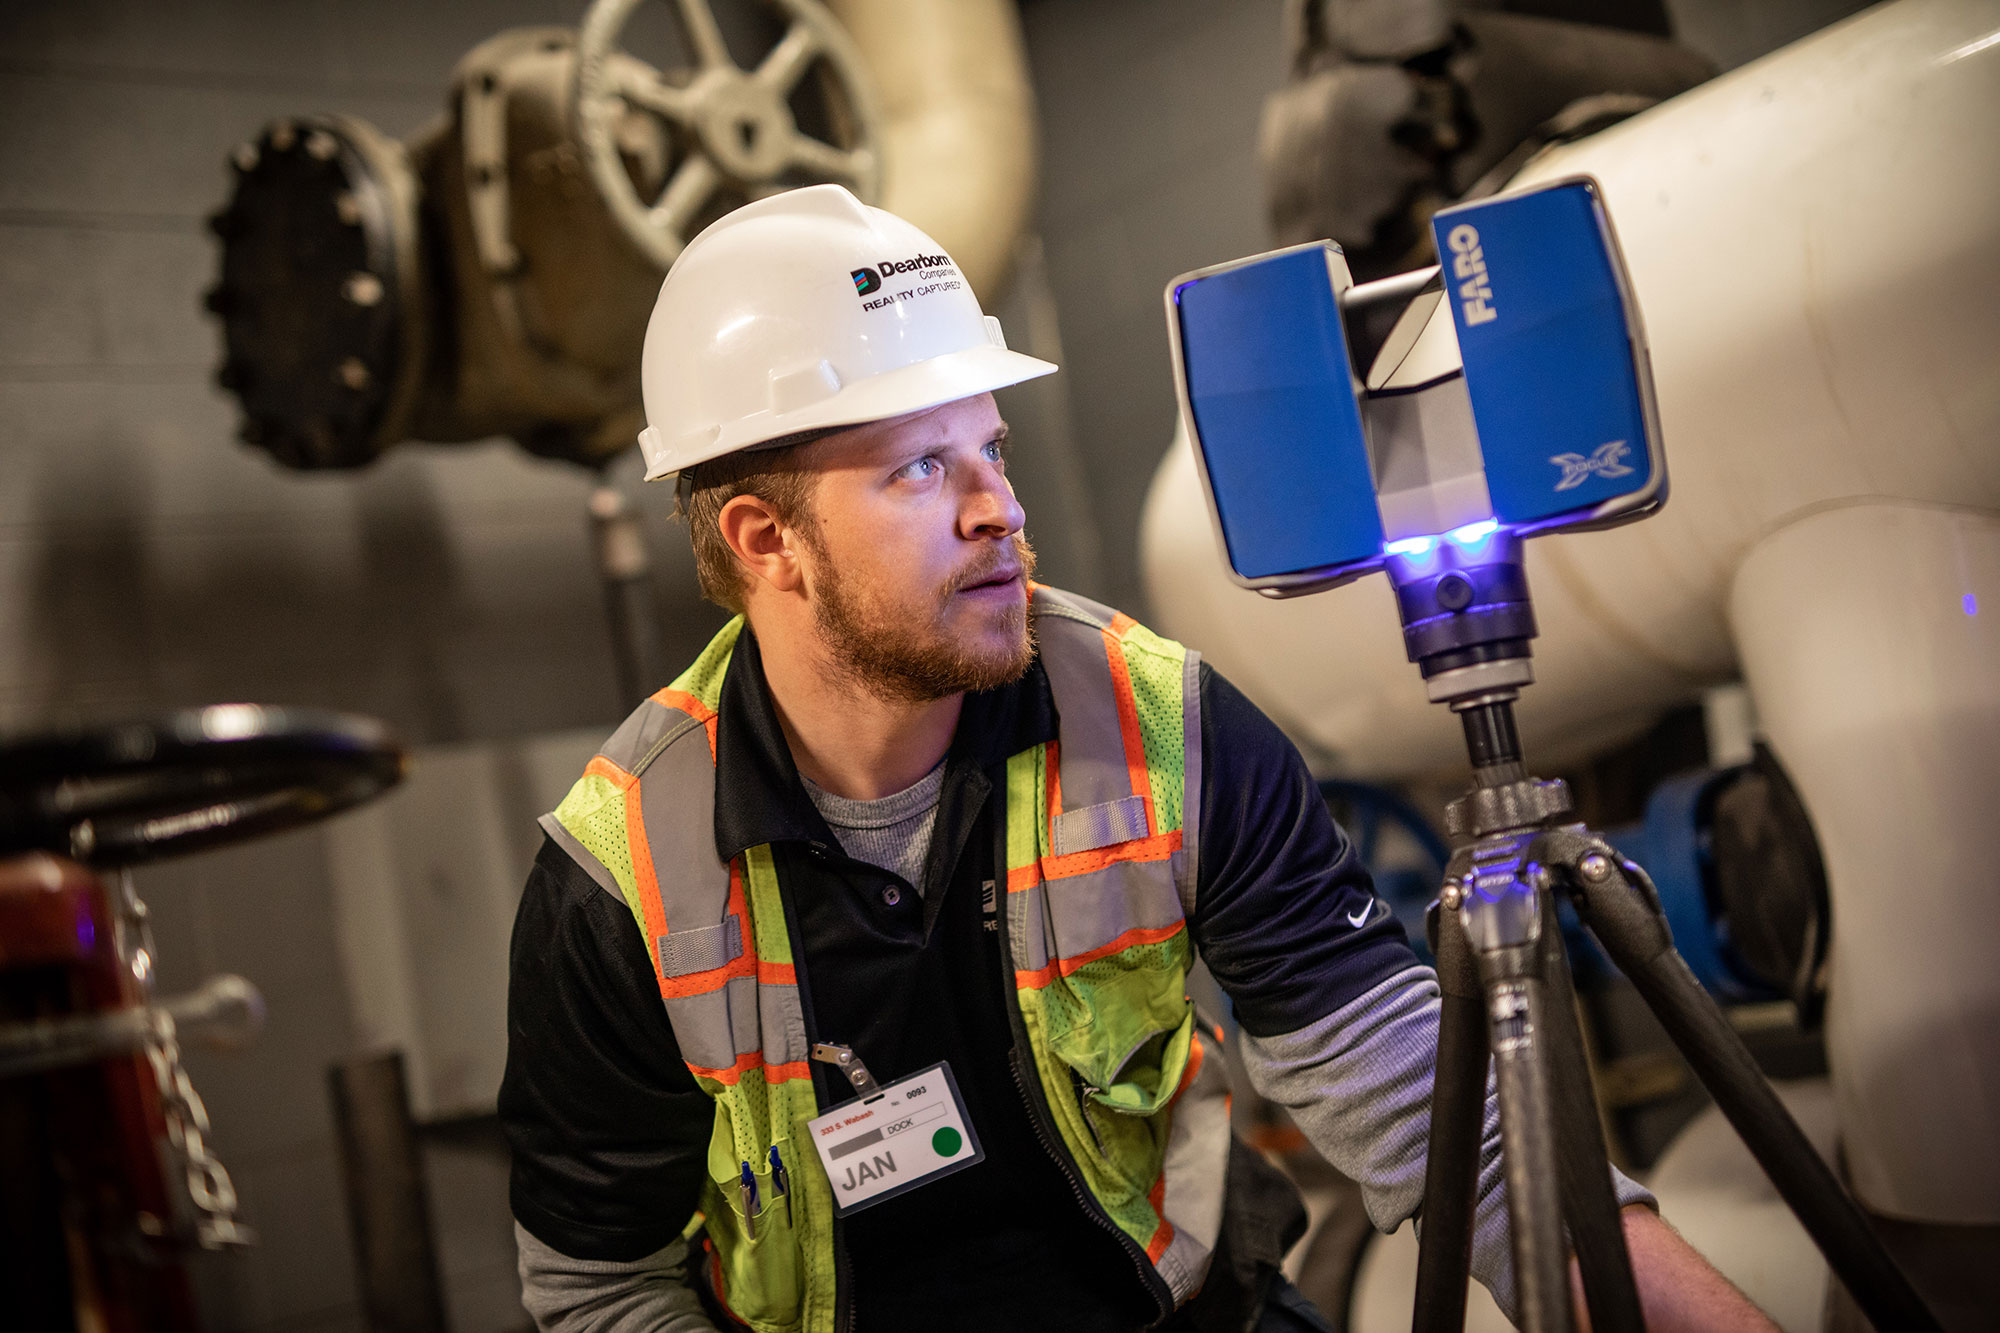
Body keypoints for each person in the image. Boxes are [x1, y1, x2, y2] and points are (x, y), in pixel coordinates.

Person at [499, 185, 1773, 1332]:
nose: (999, 507)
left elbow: (1453, 1139)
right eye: (921, 468)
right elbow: (601, 1289)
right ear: (763, 539)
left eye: (992, 449)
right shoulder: (620, 876)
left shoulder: (1162, 722)